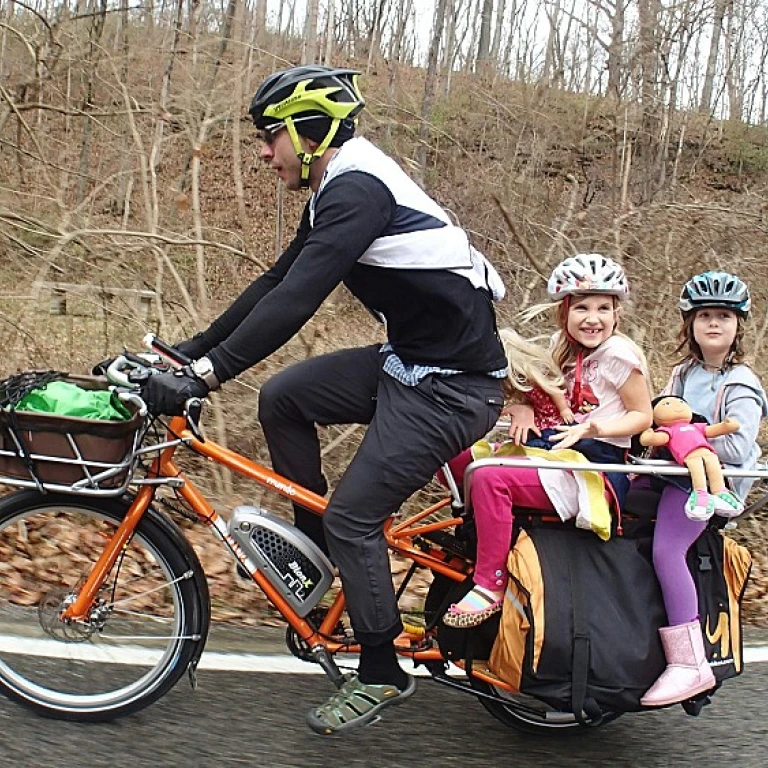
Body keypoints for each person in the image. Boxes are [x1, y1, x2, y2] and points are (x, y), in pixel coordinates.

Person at [141, 65, 508, 735]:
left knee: (354, 517)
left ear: (310, 133)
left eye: (269, 136)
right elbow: (275, 280)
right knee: (283, 397)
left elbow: (297, 298)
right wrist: (188, 353)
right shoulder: (339, 186)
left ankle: (380, 670)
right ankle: (318, 570)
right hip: (410, 365)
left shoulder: (359, 190)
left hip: (454, 390)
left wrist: (206, 376)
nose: (263, 152)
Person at [443, 254, 653, 629]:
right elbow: (541, 393)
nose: (594, 318)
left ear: (617, 315)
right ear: (564, 312)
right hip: (553, 450)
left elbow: (643, 416)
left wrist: (596, 430)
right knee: (455, 454)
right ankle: (482, 540)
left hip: (594, 468)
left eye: (604, 308)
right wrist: (522, 406)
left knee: (491, 477)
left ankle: (489, 583)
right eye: (583, 307)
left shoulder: (618, 355)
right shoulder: (562, 346)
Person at [640, 270, 768, 707]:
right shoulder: (682, 372)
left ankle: (688, 663)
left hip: (712, 487)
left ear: (738, 327)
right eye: (705, 315)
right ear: (690, 325)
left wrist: (686, 435)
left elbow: (736, 444)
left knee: (666, 551)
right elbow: (659, 415)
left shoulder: (743, 383)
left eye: (725, 317)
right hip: (672, 473)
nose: (714, 324)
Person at [497, 327, 574, 447]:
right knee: (531, 438)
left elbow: (554, 390)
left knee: (548, 439)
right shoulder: (521, 381)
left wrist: (564, 409)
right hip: (541, 416)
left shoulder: (533, 374)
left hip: (555, 416)